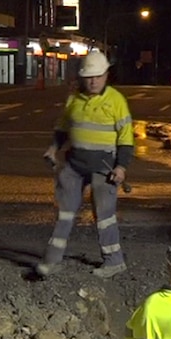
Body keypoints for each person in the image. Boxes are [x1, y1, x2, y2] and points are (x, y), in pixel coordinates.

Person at [36, 50, 134, 279]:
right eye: (89, 77)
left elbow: (126, 138)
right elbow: (62, 127)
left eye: (97, 76)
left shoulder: (116, 101)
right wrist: (53, 147)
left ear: (106, 75)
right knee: (65, 213)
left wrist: (121, 167)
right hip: (74, 165)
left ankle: (114, 260)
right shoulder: (74, 99)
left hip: (104, 167)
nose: (93, 81)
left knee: (104, 215)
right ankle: (52, 260)